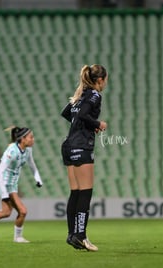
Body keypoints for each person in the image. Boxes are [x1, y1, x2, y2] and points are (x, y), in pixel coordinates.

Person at [61, 64, 108, 251]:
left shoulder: (80, 95)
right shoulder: (95, 95)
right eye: (105, 80)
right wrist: (98, 124)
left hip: (68, 145)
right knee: (85, 193)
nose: (105, 83)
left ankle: (72, 235)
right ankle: (81, 236)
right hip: (82, 146)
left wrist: (87, 125)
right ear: (100, 80)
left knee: (76, 192)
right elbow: (82, 114)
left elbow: (67, 113)